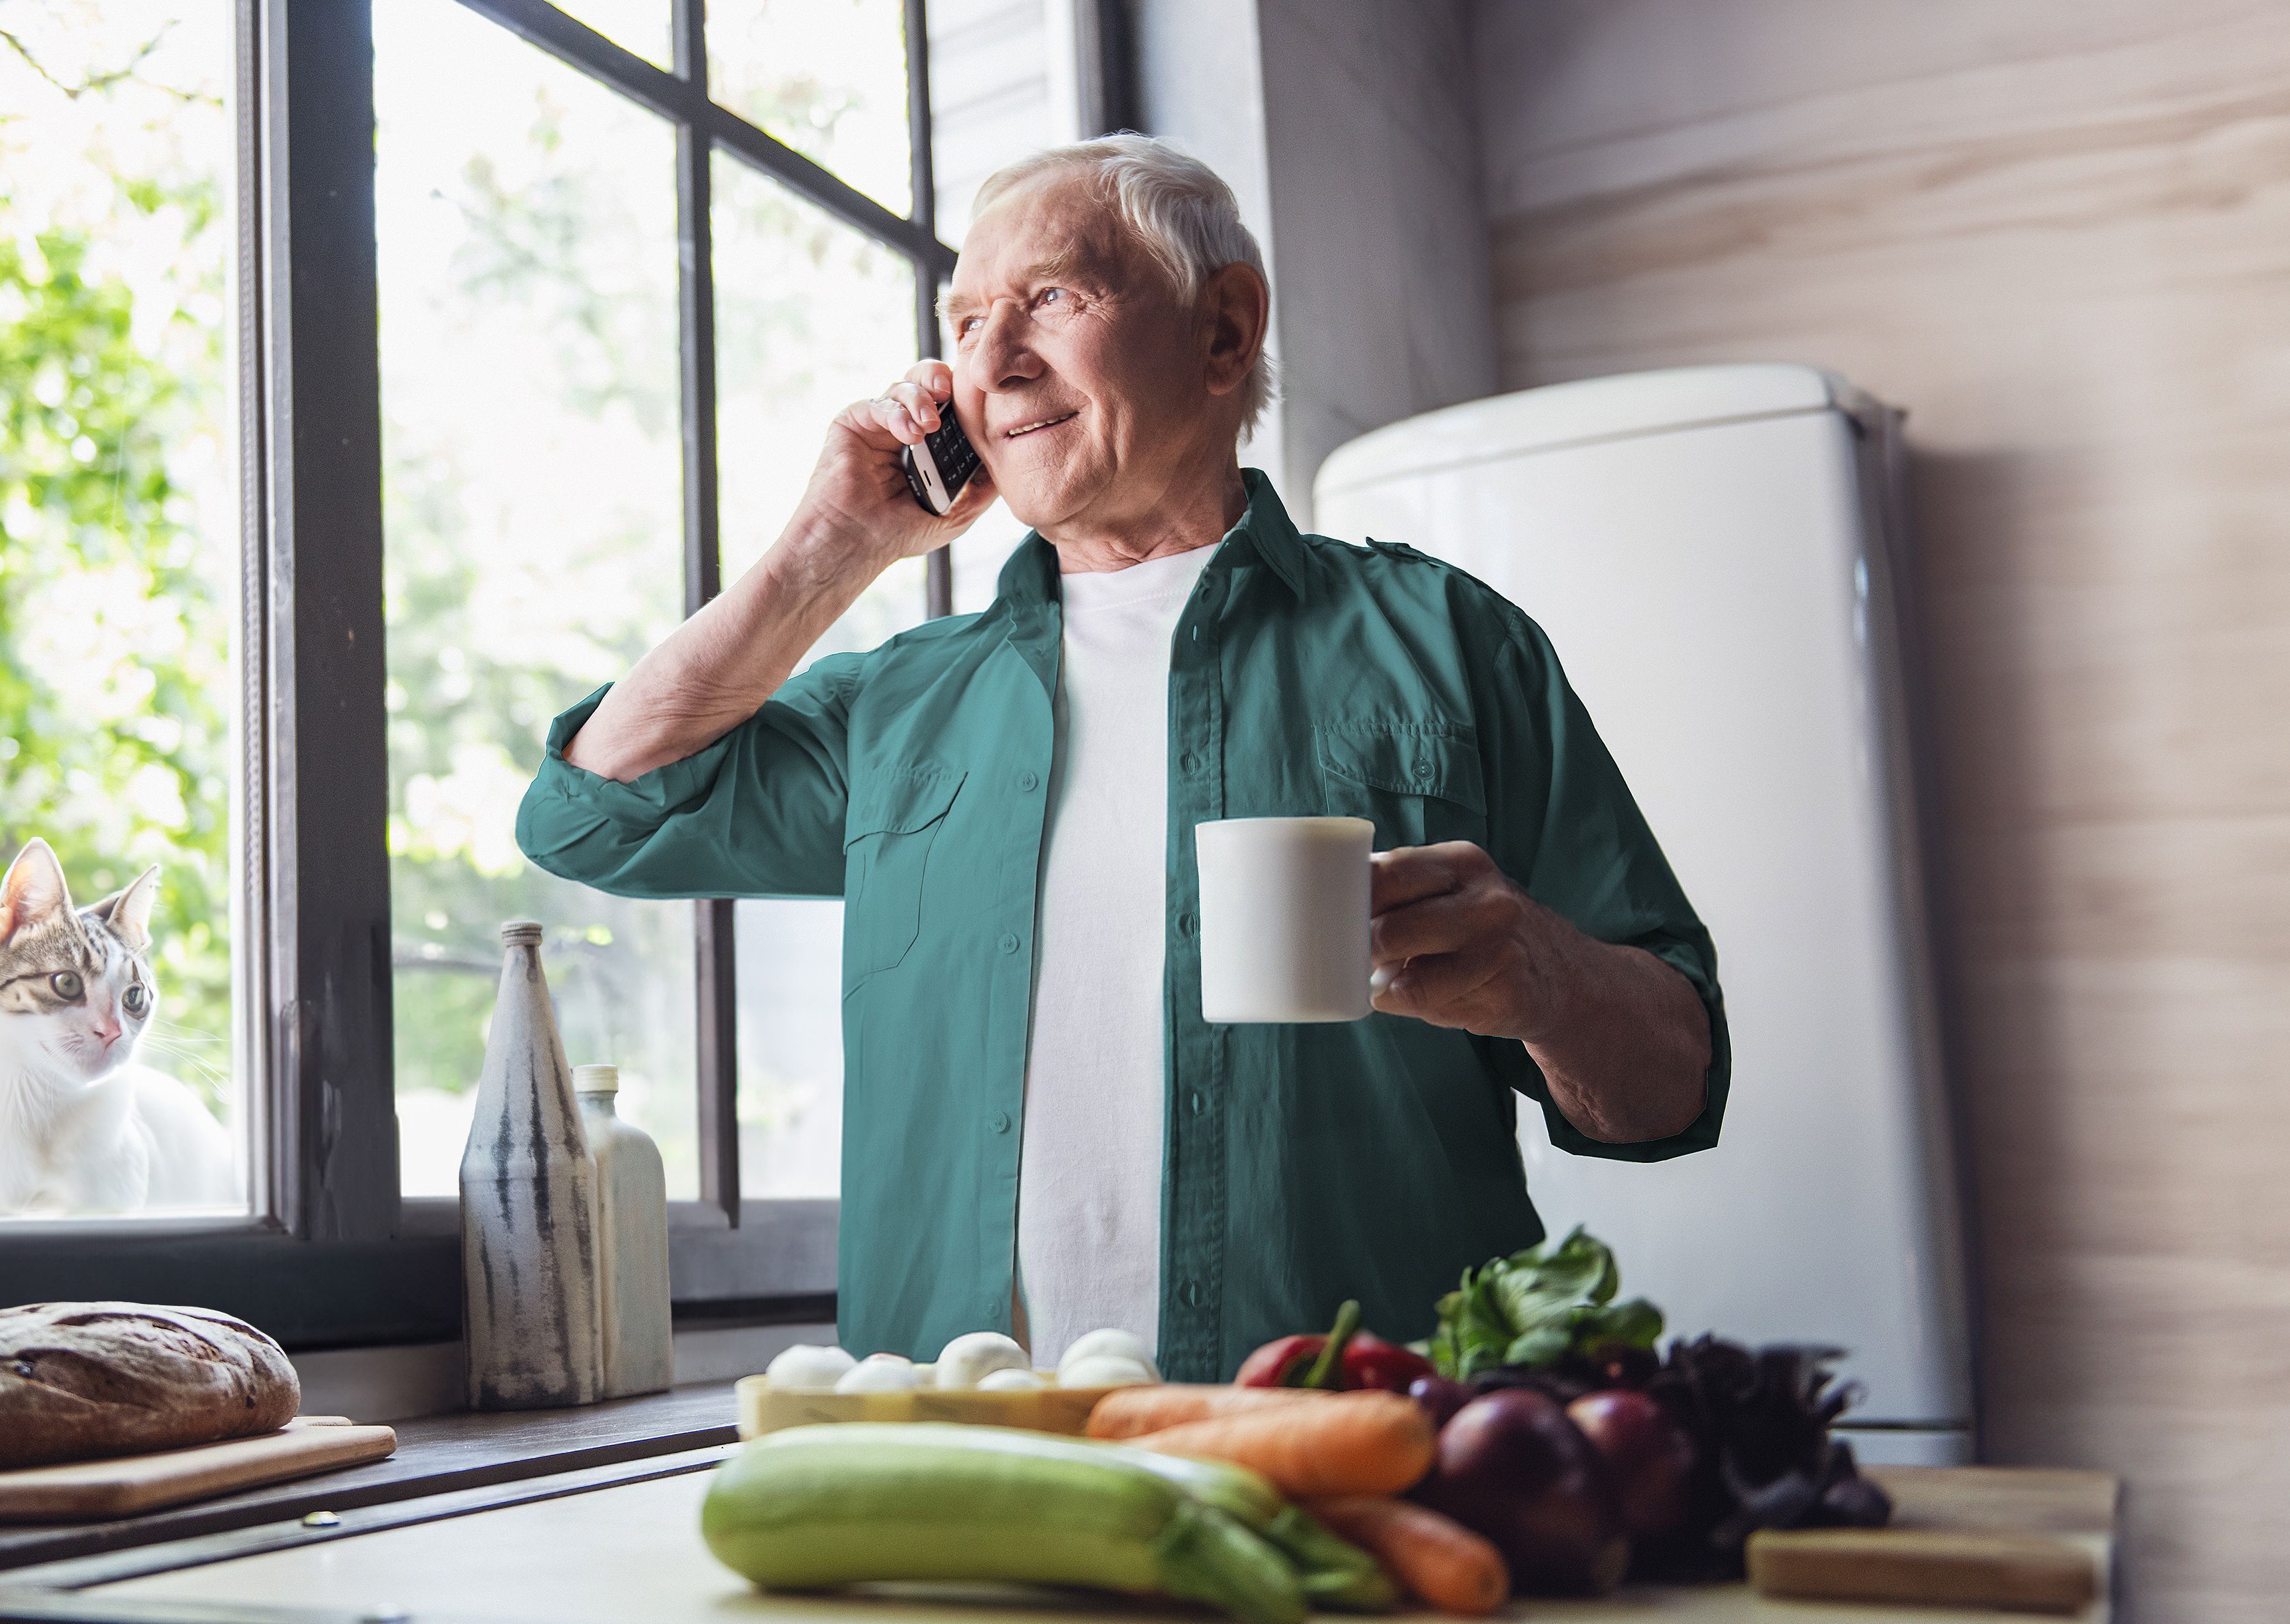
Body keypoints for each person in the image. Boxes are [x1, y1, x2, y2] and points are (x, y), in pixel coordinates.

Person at [516, 134, 1728, 1380]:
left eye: (1052, 297)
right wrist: (828, 547)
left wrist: (1538, 972)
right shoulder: (901, 702)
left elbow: (1671, 1091)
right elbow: (590, 814)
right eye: (968, 318)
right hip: (968, 1468)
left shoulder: (1451, 644)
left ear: (1223, 331)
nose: (991, 359)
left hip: (1367, 1460)